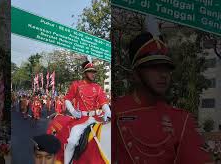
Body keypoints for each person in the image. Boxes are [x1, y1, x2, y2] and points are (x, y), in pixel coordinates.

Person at [113, 32, 213, 164]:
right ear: (135, 75)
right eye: (154, 67)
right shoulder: (115, 110)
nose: (164, 75)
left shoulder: (182, 120)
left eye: (166, 69)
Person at [63, 60, 111, 164]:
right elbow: (67, 99)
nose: (93, 74)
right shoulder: (76, 85)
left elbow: (103, 103)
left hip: (96, 118)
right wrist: (73, 111)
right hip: (82, 119)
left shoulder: (98, 88)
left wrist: (108, 112)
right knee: (72, 142)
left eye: (94, 72)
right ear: (85, 73)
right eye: (90, 71)